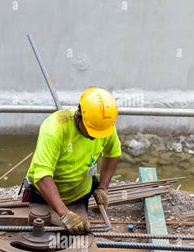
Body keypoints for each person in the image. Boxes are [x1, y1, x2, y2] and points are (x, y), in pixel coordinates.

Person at [22, 87, 121, 235]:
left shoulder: (102, 126)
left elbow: (113, 153)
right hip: (43, 197)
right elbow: (42, 175)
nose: (95, 137)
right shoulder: (55, 128)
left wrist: (103, 187)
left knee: (76, 243)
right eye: (91, 131)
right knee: (37, 242)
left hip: (79, 196)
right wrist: (64, 214)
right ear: (79, 115)